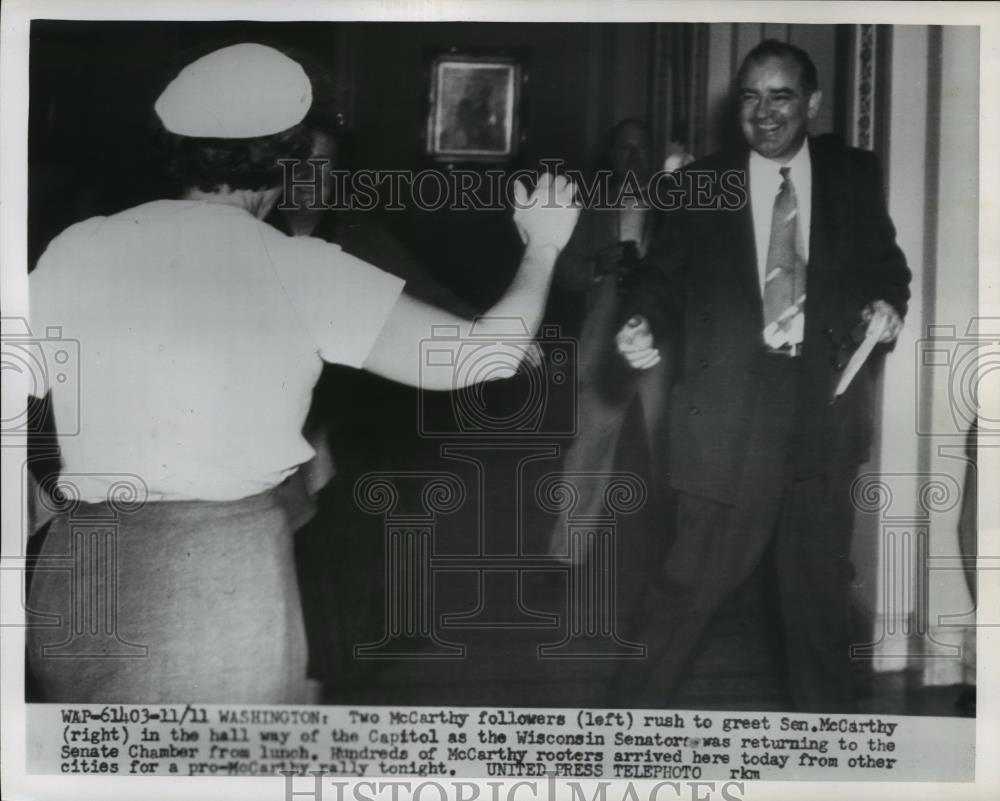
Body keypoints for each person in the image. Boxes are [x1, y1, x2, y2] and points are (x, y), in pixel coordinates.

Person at [26, 42, 578, 704]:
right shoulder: (297, 268)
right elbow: (482, 355)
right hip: (213, 579)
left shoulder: (79, 244)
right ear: (290, 153)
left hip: (78, 564)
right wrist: (543, 243)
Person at [612, 39, 911, 712]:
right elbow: (661, 279)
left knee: (818, 602)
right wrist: (642, 323)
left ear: (811, 103)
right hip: (727, 415)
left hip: (823, 408)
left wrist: (886, 303)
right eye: (751, 96)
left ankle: (828, 756)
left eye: (781, 96)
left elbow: (885, 266)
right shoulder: (698, 184)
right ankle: (618, 734)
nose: (765, 113)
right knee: (686, 589)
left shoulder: (852, 173)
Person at [546, 119, 689, 561]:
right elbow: (565, 273)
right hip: (604, 340)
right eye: (624, 149)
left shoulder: (675, 206)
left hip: (659, 342)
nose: (633, 158)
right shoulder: (593, 207)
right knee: (588, 446)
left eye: (641, 149)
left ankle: (677, 555)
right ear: (611, 156)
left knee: (667, 445)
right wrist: (597, 265)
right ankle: (565, 555)